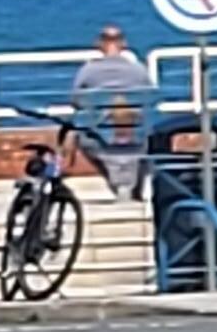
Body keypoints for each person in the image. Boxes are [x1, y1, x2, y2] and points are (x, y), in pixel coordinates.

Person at [65, 26, 157, 204]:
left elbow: (75, 100)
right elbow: (151, 99)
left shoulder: (88, 71)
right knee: (150, 137)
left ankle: (114, 181)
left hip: (102, 137)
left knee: (83, 137)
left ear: (99, 44)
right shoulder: (138, 70)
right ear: (124, 44)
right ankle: (135, 186)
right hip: (136, 135)